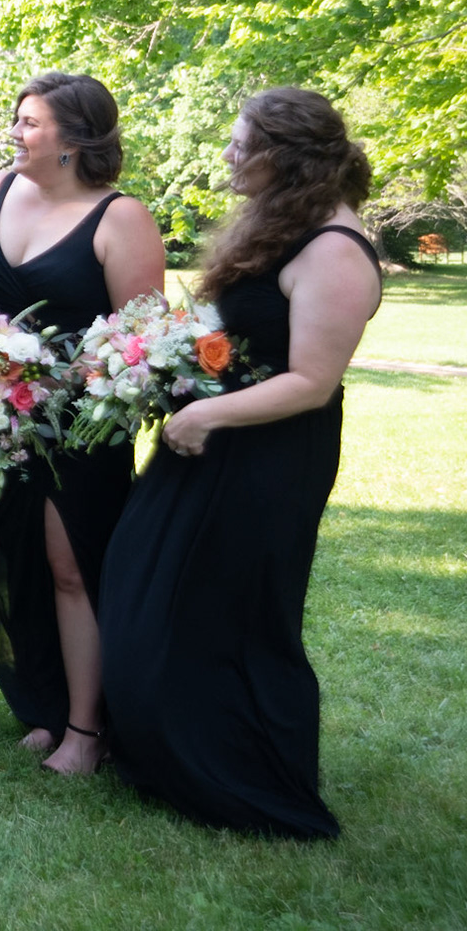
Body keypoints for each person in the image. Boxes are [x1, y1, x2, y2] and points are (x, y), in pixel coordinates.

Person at [101, 88, 378, 837]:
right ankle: (175, 760)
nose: (226, 154)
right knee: (150, 585)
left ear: (286, 156)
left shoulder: (334, 250)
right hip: (211, 438)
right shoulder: (279, 225)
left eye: (240, 143)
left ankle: (249, 781)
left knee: (238, 611)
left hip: (270, 456)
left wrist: (206, 413)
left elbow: (311, 381)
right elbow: (240, 339)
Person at [0, 72, 166, 773]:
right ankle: (45, 704)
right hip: (5, 412)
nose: (14, 132)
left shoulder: (120, 217)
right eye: (17, 118)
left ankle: (88, 729)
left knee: (72, 567)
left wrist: (54, 382)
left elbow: (139, 335)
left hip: (81, 422)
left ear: (74, 140)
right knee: (18, 553)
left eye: (30, 123)